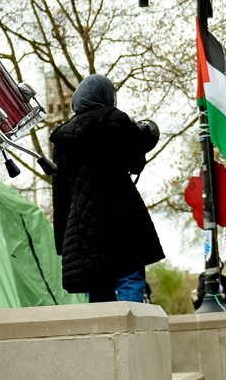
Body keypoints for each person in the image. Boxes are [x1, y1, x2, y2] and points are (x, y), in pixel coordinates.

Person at [51, 75, 166, 300]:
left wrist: (63, 242)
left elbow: (61, 195)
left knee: (98, 287)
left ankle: (105, 323)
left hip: (83, 225)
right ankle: (132, 321)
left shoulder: (62, 139)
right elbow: (135, 163)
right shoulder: (116, 119)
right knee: (129, 276)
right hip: (121, 214)